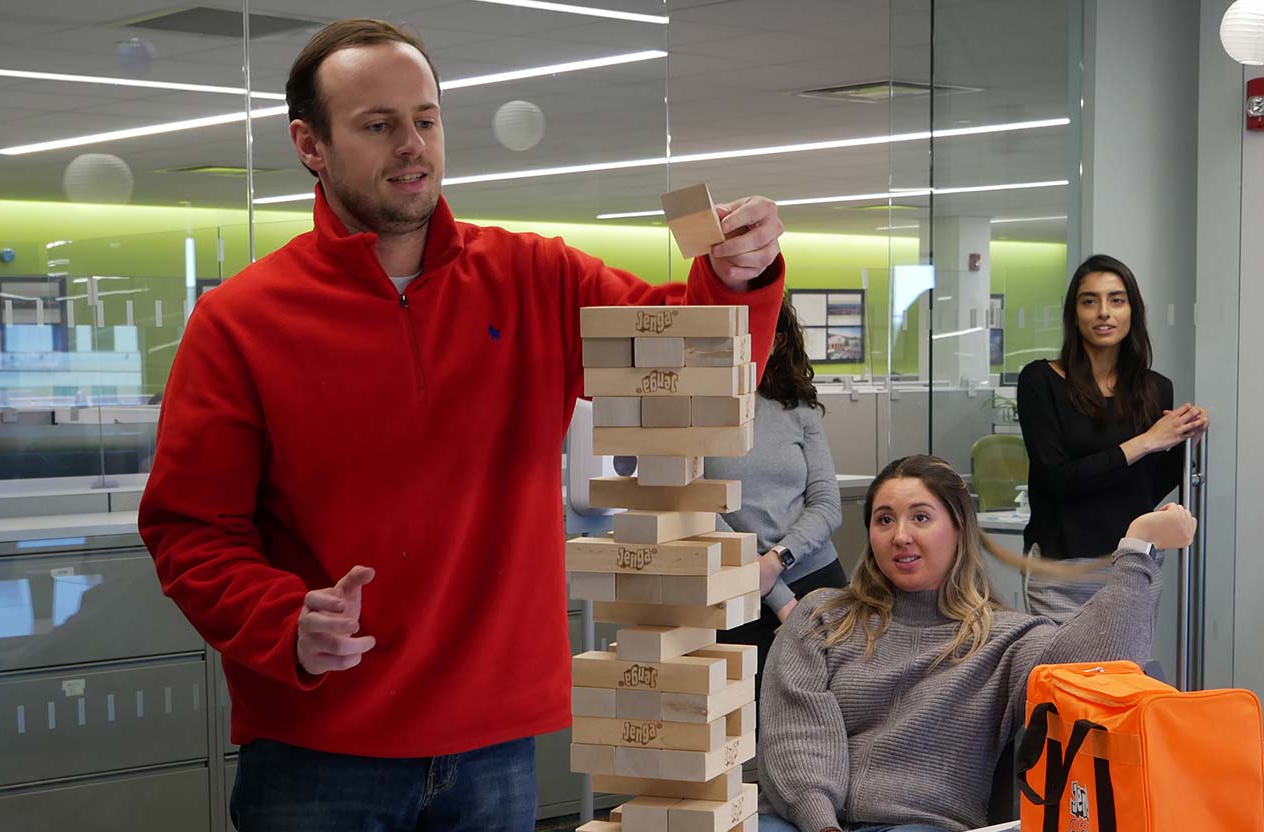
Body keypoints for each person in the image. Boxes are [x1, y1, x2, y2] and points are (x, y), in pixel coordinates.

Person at [136, 18, 789, 832]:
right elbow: (189, 528)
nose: (411, 145)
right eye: (378, 126)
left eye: (426, 118)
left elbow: (690, 358)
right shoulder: (239, 323)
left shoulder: (534, 277)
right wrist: (280, 620)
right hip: (321, 750)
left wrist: (741, 273)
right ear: (311, 144)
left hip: (496, 749)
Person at [756, 455, 1196, 832]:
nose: (900, 536)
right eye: (884, 519)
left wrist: (1138, 546)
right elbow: (795, 729)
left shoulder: (1005, 638)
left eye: (921, 517)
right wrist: (820, 821)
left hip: (922, 824)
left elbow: (1106, 670)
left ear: (958, 528)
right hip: (803, 821)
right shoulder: (823, 616)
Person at [1016, 254, 1206, 621]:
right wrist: (1148, 440)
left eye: (1116, 300)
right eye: (1090, 301)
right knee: (1066, 676)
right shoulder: (1040, 381)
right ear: (1074, 313)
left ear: (1133, 310)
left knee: (1127, 676)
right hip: (1063, 566)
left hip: (1133, 559)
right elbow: (1058, 480)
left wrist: (1184, 442)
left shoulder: (1155, 388)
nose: (1104, 312)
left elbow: (1146, 489)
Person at [704, 300, 847, 697]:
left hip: (817, 584)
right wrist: (776, 593)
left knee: (829, 727)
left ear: (777, 341)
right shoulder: (697, 414)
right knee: (743, 734)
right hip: (737, 595)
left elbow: (827, 506)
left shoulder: (798, 410)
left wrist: (777, 560)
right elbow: (699, 509)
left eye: (752, 333)